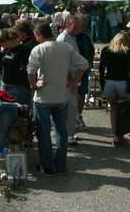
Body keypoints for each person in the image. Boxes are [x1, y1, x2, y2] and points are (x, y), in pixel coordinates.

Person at [29, 23, 88, 175]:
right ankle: (60, 165)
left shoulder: (38, 49)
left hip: (43, 97)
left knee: (44, 132)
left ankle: (47, 166)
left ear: (39, 35)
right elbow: (84, 64)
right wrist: (74, 82)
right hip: (62, 96)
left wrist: (33, 85)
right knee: (61, 131)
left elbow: (31, 70)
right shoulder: (66, 47)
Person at [99, 32, 130, 146]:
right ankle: (121, 135)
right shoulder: (128, 52)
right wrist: (129, 89)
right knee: (122, 110)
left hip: (109, 82)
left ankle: (115, 135)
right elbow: (129, 72)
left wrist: (102, 84)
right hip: (122, 83)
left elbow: (101, 68)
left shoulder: (106, 50)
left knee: (113, 109)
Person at [0, 28, 31, 105]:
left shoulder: (24, 50)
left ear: (9, 40)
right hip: (5, 85)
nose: (1, 45)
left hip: (19, 88)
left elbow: (29, 69)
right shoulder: (7, 50)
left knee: (18, 111)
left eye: (1, 43)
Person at [56, 15, 82, 145]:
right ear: (68, 25)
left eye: (79, 26)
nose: (79, 28)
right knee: (68, 107)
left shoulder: (71, 37)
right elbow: (61, 61)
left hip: (73, 77)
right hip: (68, 78)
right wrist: (68, 78)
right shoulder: (63, 39)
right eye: (76, 26)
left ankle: (69, 134)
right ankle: (67, 136)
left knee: (71, 107)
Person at [74, 15, 95, 133]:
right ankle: (73, 118)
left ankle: (79, 116)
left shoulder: (86, 37)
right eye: (82, 25)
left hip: (84, 70)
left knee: (82, 94)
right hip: (74, 71)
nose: (83, 27)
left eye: (85, 25)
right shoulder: (69, 38)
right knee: (73, 95)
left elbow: (91, 51)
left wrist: (90, 62)